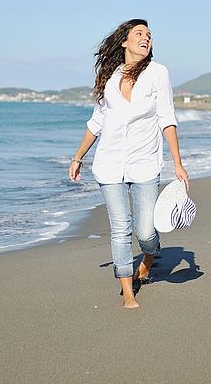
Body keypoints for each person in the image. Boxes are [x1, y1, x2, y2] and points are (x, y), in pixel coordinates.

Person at [69, 19, 189, 309]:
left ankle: (150, 254)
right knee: (120, 227)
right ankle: (128, 292)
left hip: (145, 163)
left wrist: (178, 163)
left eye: (149, 35)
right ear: (124, 41)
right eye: (139, 33)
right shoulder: (108, 77)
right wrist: (77, 157)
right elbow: (96, 123)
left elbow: (166, 118)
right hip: (109, 164)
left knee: (146, 231)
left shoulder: (158, 73)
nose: (146, 38)